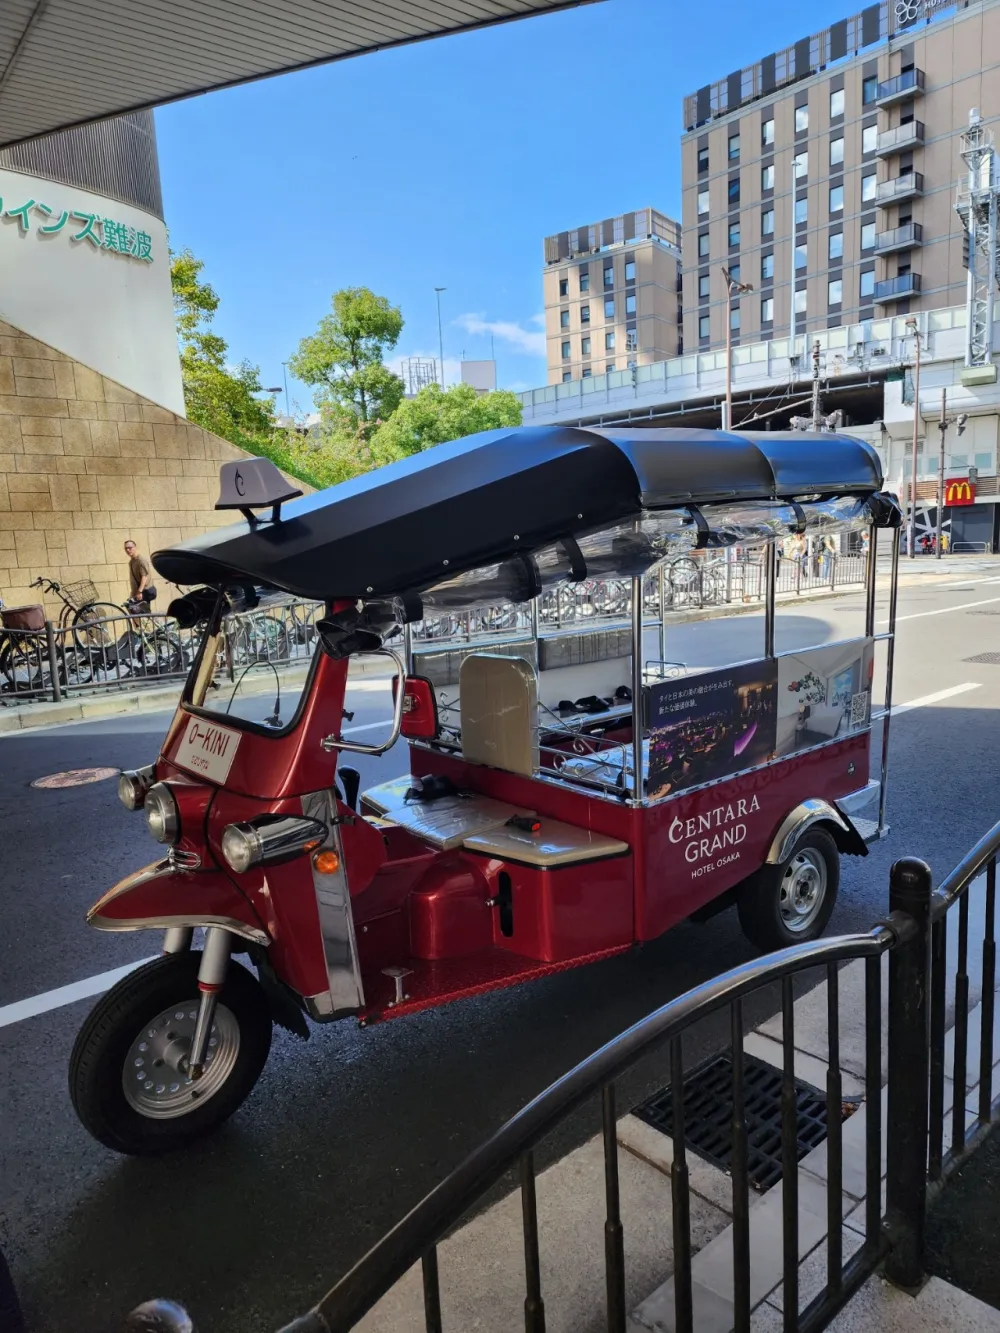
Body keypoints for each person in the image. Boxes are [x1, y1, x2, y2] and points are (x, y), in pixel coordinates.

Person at [124, 539, 157, 610]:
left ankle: (158, 620)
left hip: (143, 592)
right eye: (126, 548)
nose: (128, 550)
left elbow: (144, 577)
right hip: (137, 592)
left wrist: (139, 592)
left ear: (135, 547)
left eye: (130, 548)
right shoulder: (132, 561)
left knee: (137, 612)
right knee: (134, 611)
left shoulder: (141, 560)